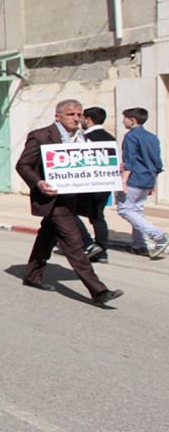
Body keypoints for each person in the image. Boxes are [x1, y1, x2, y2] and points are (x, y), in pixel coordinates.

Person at [15, 99, 123, 304]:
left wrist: (111, 168)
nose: (76, 118)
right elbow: (23, 165)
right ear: (58, 116)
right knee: (74, 242)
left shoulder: (83, 138)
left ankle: (32, 275)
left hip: (74, 199)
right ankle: (98, 290)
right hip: (53, 200)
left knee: (47, 236)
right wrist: (38, 183)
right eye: (71, 114)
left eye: (79, 114)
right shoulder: (40, 136)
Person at [117, 107, 168, 258]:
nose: (123, 121)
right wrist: (154, 183)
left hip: (134, 178)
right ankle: (139, 244)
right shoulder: (152, 137)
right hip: (148, 178)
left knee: (124, 209)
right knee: (137, 210)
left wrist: (123, 181)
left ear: (133, 120)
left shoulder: (131, 136)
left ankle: (158, 235)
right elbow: (157, 162)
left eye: (125, 118)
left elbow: (129, 160)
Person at [73, 107, 116, 263]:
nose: (80, 120)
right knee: (98, 216)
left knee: (69, 212)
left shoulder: (85, 137)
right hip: (105, 183)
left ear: (88, 119)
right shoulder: (111, 138)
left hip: (89, 184)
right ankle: (102, 252)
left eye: (82, 117)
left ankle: (89, 244)